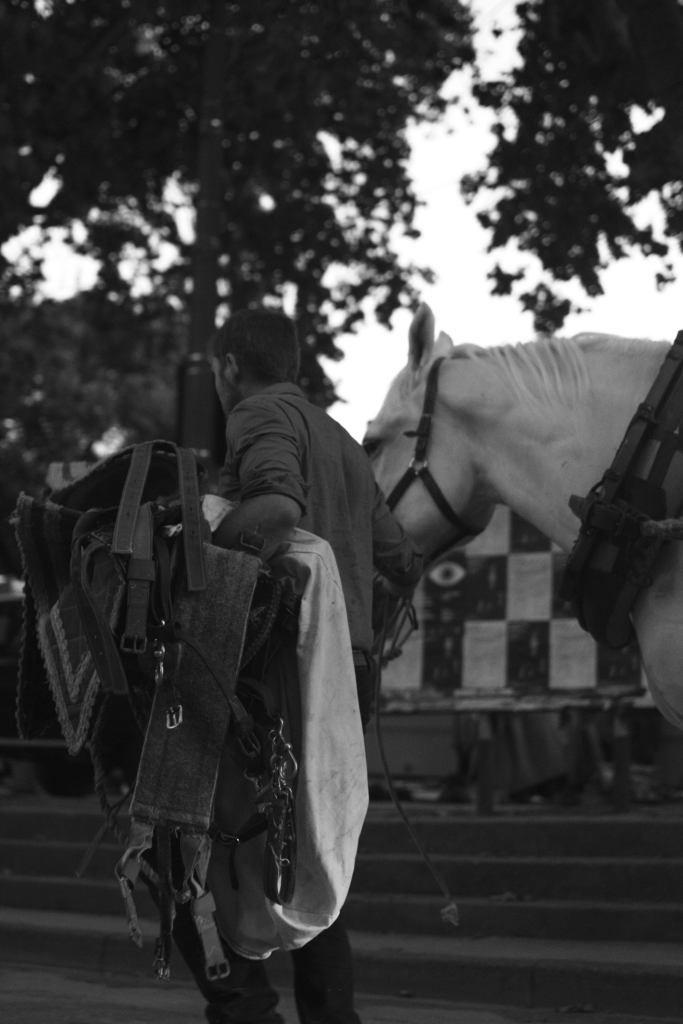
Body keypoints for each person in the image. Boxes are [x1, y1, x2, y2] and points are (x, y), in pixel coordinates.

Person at [183, 307, 422, 1024]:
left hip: (274, 677)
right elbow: (403, 559)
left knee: (191, 835)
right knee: (312, 846)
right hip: (346, 677)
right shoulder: (342, 440)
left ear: (228, 368)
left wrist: (197, 550)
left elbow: (277, 512)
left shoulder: (255, 415)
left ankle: (244, 1007)